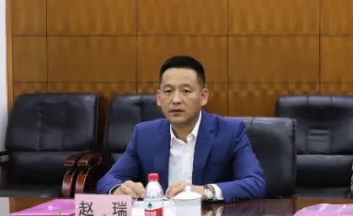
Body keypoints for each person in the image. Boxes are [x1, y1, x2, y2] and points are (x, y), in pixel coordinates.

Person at [96, 55, 265, 202]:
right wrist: (118, 189)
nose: (176, 100)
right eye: (168, 91)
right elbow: (109, 180)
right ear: (159, 98)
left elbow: (255, 183)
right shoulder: (144, 134)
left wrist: (205, 191)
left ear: (203, 96)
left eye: (186, 91)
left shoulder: (230, 132)